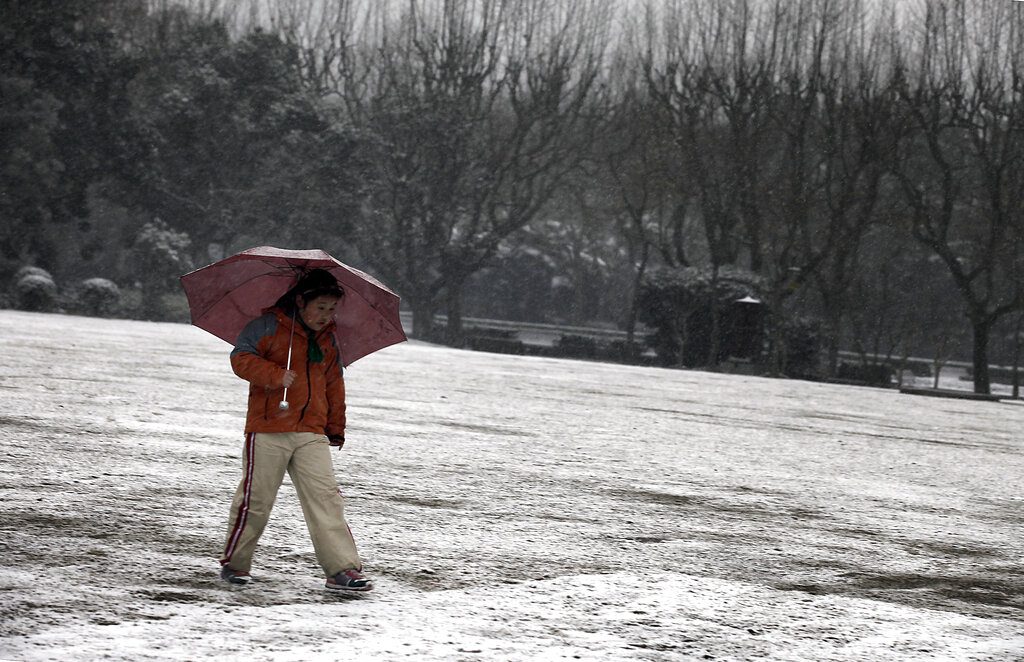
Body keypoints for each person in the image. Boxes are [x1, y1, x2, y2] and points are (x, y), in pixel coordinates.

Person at [218, 268, 372, 592]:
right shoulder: (267, 326)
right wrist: (275, 375)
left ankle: (342, 570)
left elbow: (334, 384)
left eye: (332, 309)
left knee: (327, 499)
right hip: (269, 427)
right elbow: (240, 358)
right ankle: (235, 564)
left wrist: (335, 427)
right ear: (301, 301)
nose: (326, 316)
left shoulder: (329, 340)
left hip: (311, 431)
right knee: (256, 500)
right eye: (321, 308)